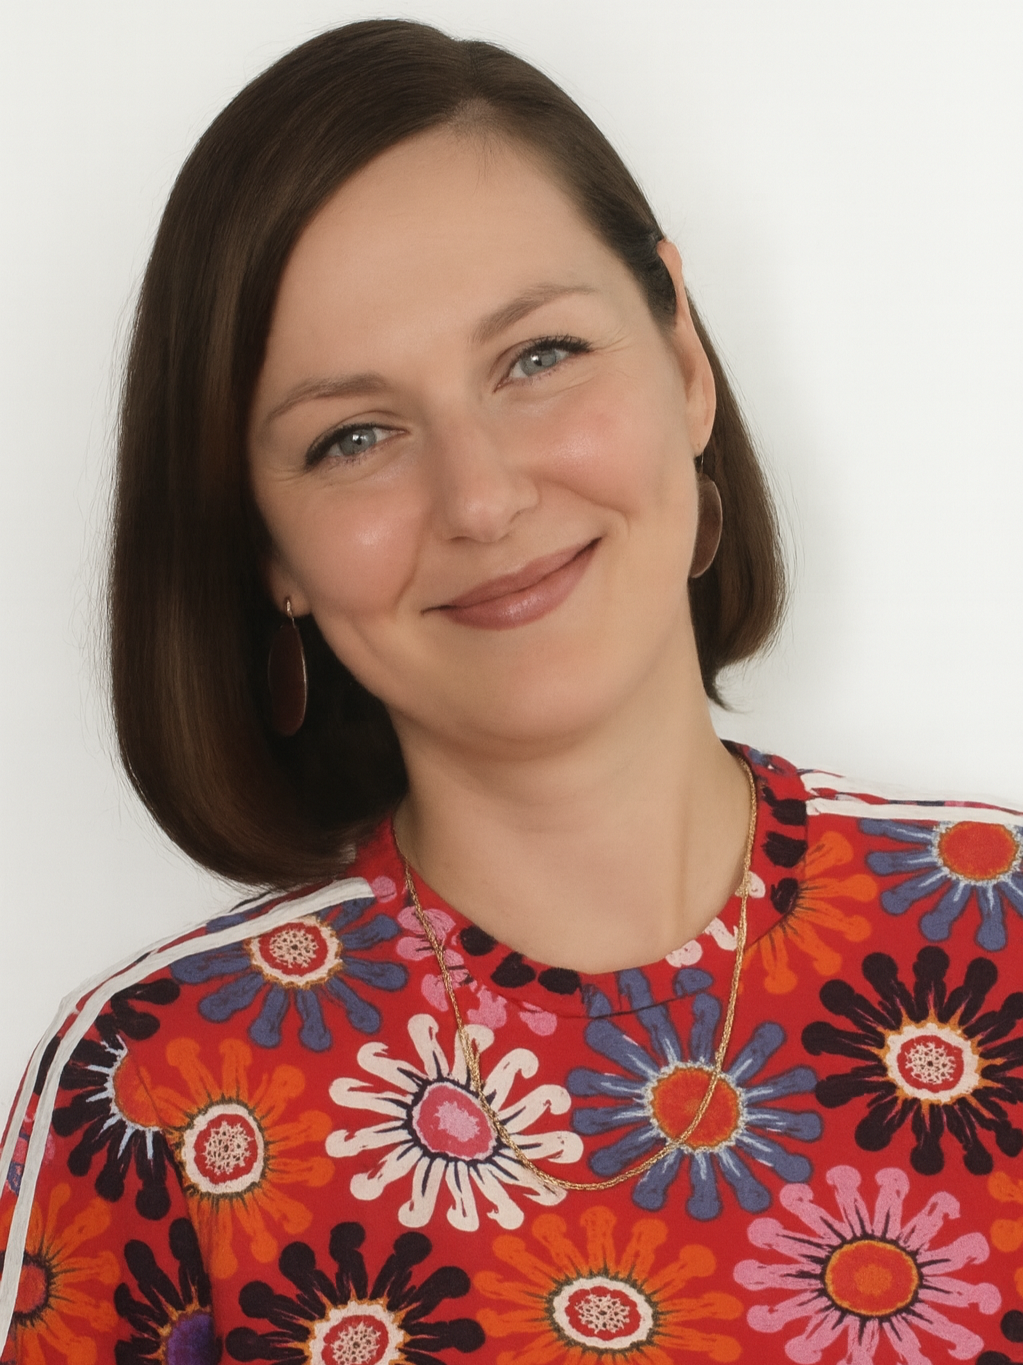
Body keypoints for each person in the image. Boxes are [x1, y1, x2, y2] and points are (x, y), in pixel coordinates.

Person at [2, 17, 1023, 1364]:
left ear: (683, 357)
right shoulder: (153, 1094)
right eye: (352, 436)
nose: (480, 499)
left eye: (539, 357)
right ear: (270, 552)